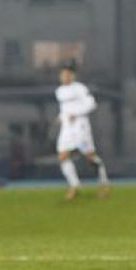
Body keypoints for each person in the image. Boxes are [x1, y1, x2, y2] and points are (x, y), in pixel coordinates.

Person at [54, 63, 110, 200]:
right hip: (67, 128)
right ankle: (75, 186)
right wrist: (61, 117)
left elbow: (91, 104)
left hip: (80, 127)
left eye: (68, 74)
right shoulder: (59, 91)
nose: (65, 76)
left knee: (90, 157)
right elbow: (65, 108)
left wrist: (77, 114)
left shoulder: (80, 88)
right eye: (63, 74)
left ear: (73, 75)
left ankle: (104, 184)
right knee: (62, 156)